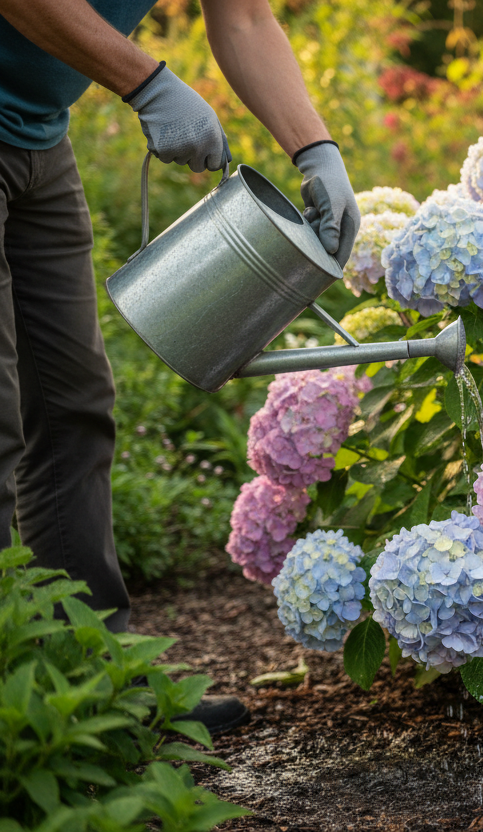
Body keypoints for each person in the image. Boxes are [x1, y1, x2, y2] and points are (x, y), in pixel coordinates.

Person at [0, 0, 361, 733]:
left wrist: (314, 149)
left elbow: (246, 18)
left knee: (73, 409)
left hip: (36, 136)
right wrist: (147, 83)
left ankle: (97, 681)